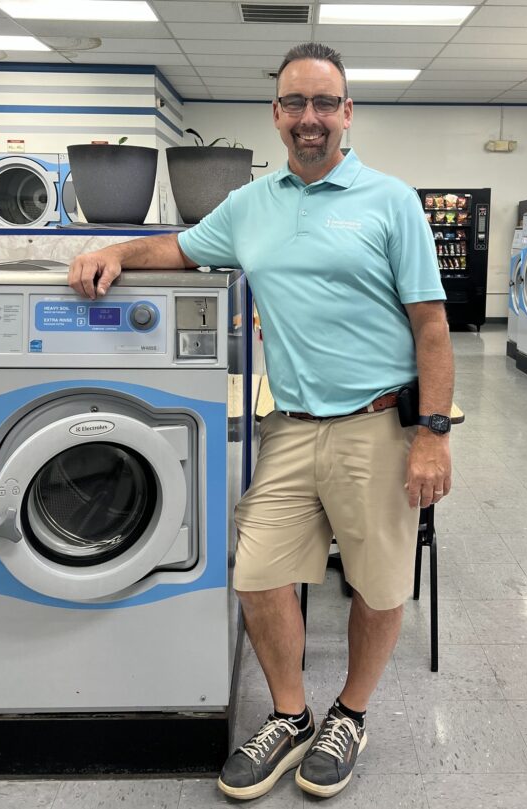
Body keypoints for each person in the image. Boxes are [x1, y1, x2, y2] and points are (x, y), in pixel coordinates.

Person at [68, 42, 454, 801]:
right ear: (276, 115)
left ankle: (350, 713)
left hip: (376, 425)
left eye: (324, 104)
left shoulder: (391, 200)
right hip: (289, 425)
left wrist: (433, 433)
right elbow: (177, 250)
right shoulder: (251, 203)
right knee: (257, 573)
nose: (310, 119)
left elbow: (432, 328)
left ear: (347, 112)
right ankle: (291, 713)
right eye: (295, 105)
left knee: (378, 586)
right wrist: (114, 247)